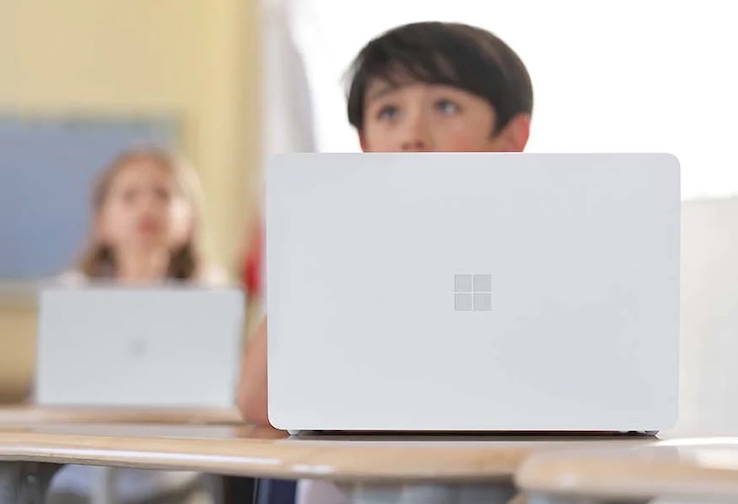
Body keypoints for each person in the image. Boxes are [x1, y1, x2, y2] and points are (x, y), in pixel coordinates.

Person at [237, 20, 534, 427]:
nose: (413, 134)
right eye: (389, 111)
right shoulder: (343, 251)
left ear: (512, 137)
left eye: (446, 107)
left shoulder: (537, 251)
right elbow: (259, 401)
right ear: (365, 143)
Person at [48, 146, 225, 504]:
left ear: (190, 220)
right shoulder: (71, 293)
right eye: (129, 196)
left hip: (176, 483)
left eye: (163, 194)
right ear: (101, 221)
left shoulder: (211, 294)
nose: (147, 207)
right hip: (79, 484)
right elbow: (49, 398)